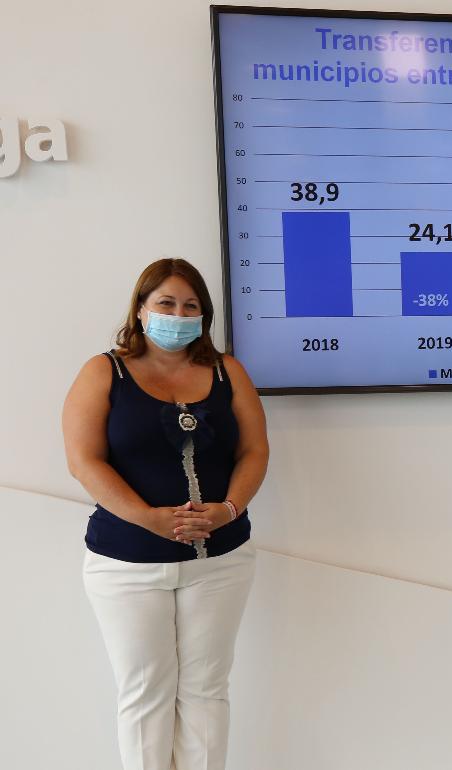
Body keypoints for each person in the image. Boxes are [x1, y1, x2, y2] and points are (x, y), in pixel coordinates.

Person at [62, 258, 268, 770]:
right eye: (166, 303)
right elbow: (84, 461)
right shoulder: (102, 372)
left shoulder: (228, 371)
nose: (178, 315)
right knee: (145, 691)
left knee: (206, 690)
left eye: (191, 306)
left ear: (204, 315)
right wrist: (148, 518)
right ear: (141, 309)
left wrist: (228, 510)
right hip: (126, 564)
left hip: (220, 563)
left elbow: (255, 450)